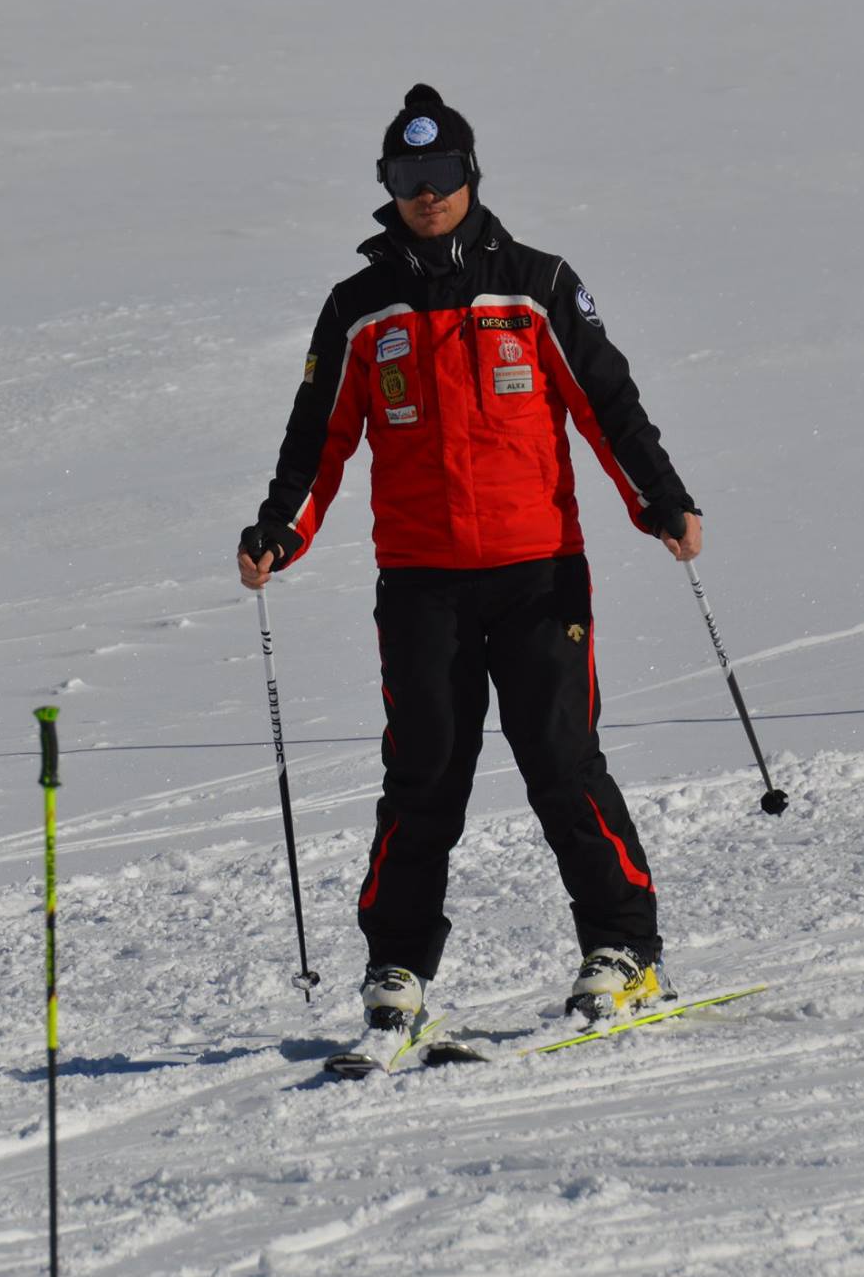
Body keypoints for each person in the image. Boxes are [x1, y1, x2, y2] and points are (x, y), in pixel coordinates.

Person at [237, 83, 702, 1048]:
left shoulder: (535, 285)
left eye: (442, 173)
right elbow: (317, 440)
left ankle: (625, 947)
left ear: (470, 175)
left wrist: (657, 496)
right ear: (388, 187)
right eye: (409, 178)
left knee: (562, 763)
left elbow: (606, 402)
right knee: (424, 775)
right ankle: (398, 966)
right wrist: (280, 528)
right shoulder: (361, 310)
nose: (428, 194)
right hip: (422, 583)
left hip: (540, 573)